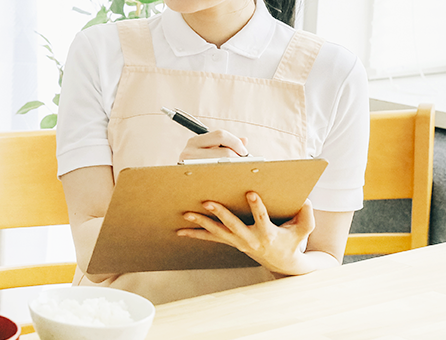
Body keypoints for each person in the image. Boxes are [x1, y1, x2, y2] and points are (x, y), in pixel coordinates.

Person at [56, 0, 369, 304]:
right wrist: (183, 186)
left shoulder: (334, 73)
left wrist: (283, 258)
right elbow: (91, 255)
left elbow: (326, 258)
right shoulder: (99, 51)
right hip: (127, 321)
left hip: (262, 326)